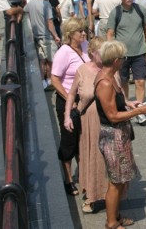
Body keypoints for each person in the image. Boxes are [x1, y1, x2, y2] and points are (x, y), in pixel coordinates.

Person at [94, 40, 146, 229]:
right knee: (116, 182)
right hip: (113, 136)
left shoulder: (110, 76)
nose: (124, 61)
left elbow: (116, 104)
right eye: (122, 58)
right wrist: (139, 112)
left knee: (121, 180)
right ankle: (111, 223)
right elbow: (112, 115)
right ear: (115, 61)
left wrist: (129, 104)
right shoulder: (105, 82)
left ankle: (116, 216)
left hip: (119, 135)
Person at [63, 36, 108, 214]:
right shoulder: (82, 70)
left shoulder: (110, 68)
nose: (105, 56)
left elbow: (120, 94)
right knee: (91, 157)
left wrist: (131, 104)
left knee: (107, 159)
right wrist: (67, 116)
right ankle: (91, 195)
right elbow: (71, 95)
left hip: (108, 121)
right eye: (101, 52)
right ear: (91, 53)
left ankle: (108, 193)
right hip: (89, 123)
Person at [50, 18, 89, 196]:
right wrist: (69, 99)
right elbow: (55, 79)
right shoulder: (64, 52)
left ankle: (84, 176)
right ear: (70, 34)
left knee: (84, 139)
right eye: (79, 31)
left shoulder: (86, 46)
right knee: (69, 140)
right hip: (67, 101)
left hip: (85, 100)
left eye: (84, 30)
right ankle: (68, 178)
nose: (83, 33)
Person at [107, 0, 146, 126]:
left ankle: (140, 111)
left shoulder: (140, 10)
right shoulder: (116, 12)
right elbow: (110, 33)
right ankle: (128, 107)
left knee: (140, 81)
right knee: (123, 82)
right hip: (122, 55)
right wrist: (112, 51)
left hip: (139, 51)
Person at [25, 0, 62, 89]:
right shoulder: (46, 5)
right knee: (51, 60)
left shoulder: (31, 3)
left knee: (41, 60)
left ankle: (42, 81)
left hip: (36, 36)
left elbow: (24, 12)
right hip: (46, 36)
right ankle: (50, 81)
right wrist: (56, 36)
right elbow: (49, 23)